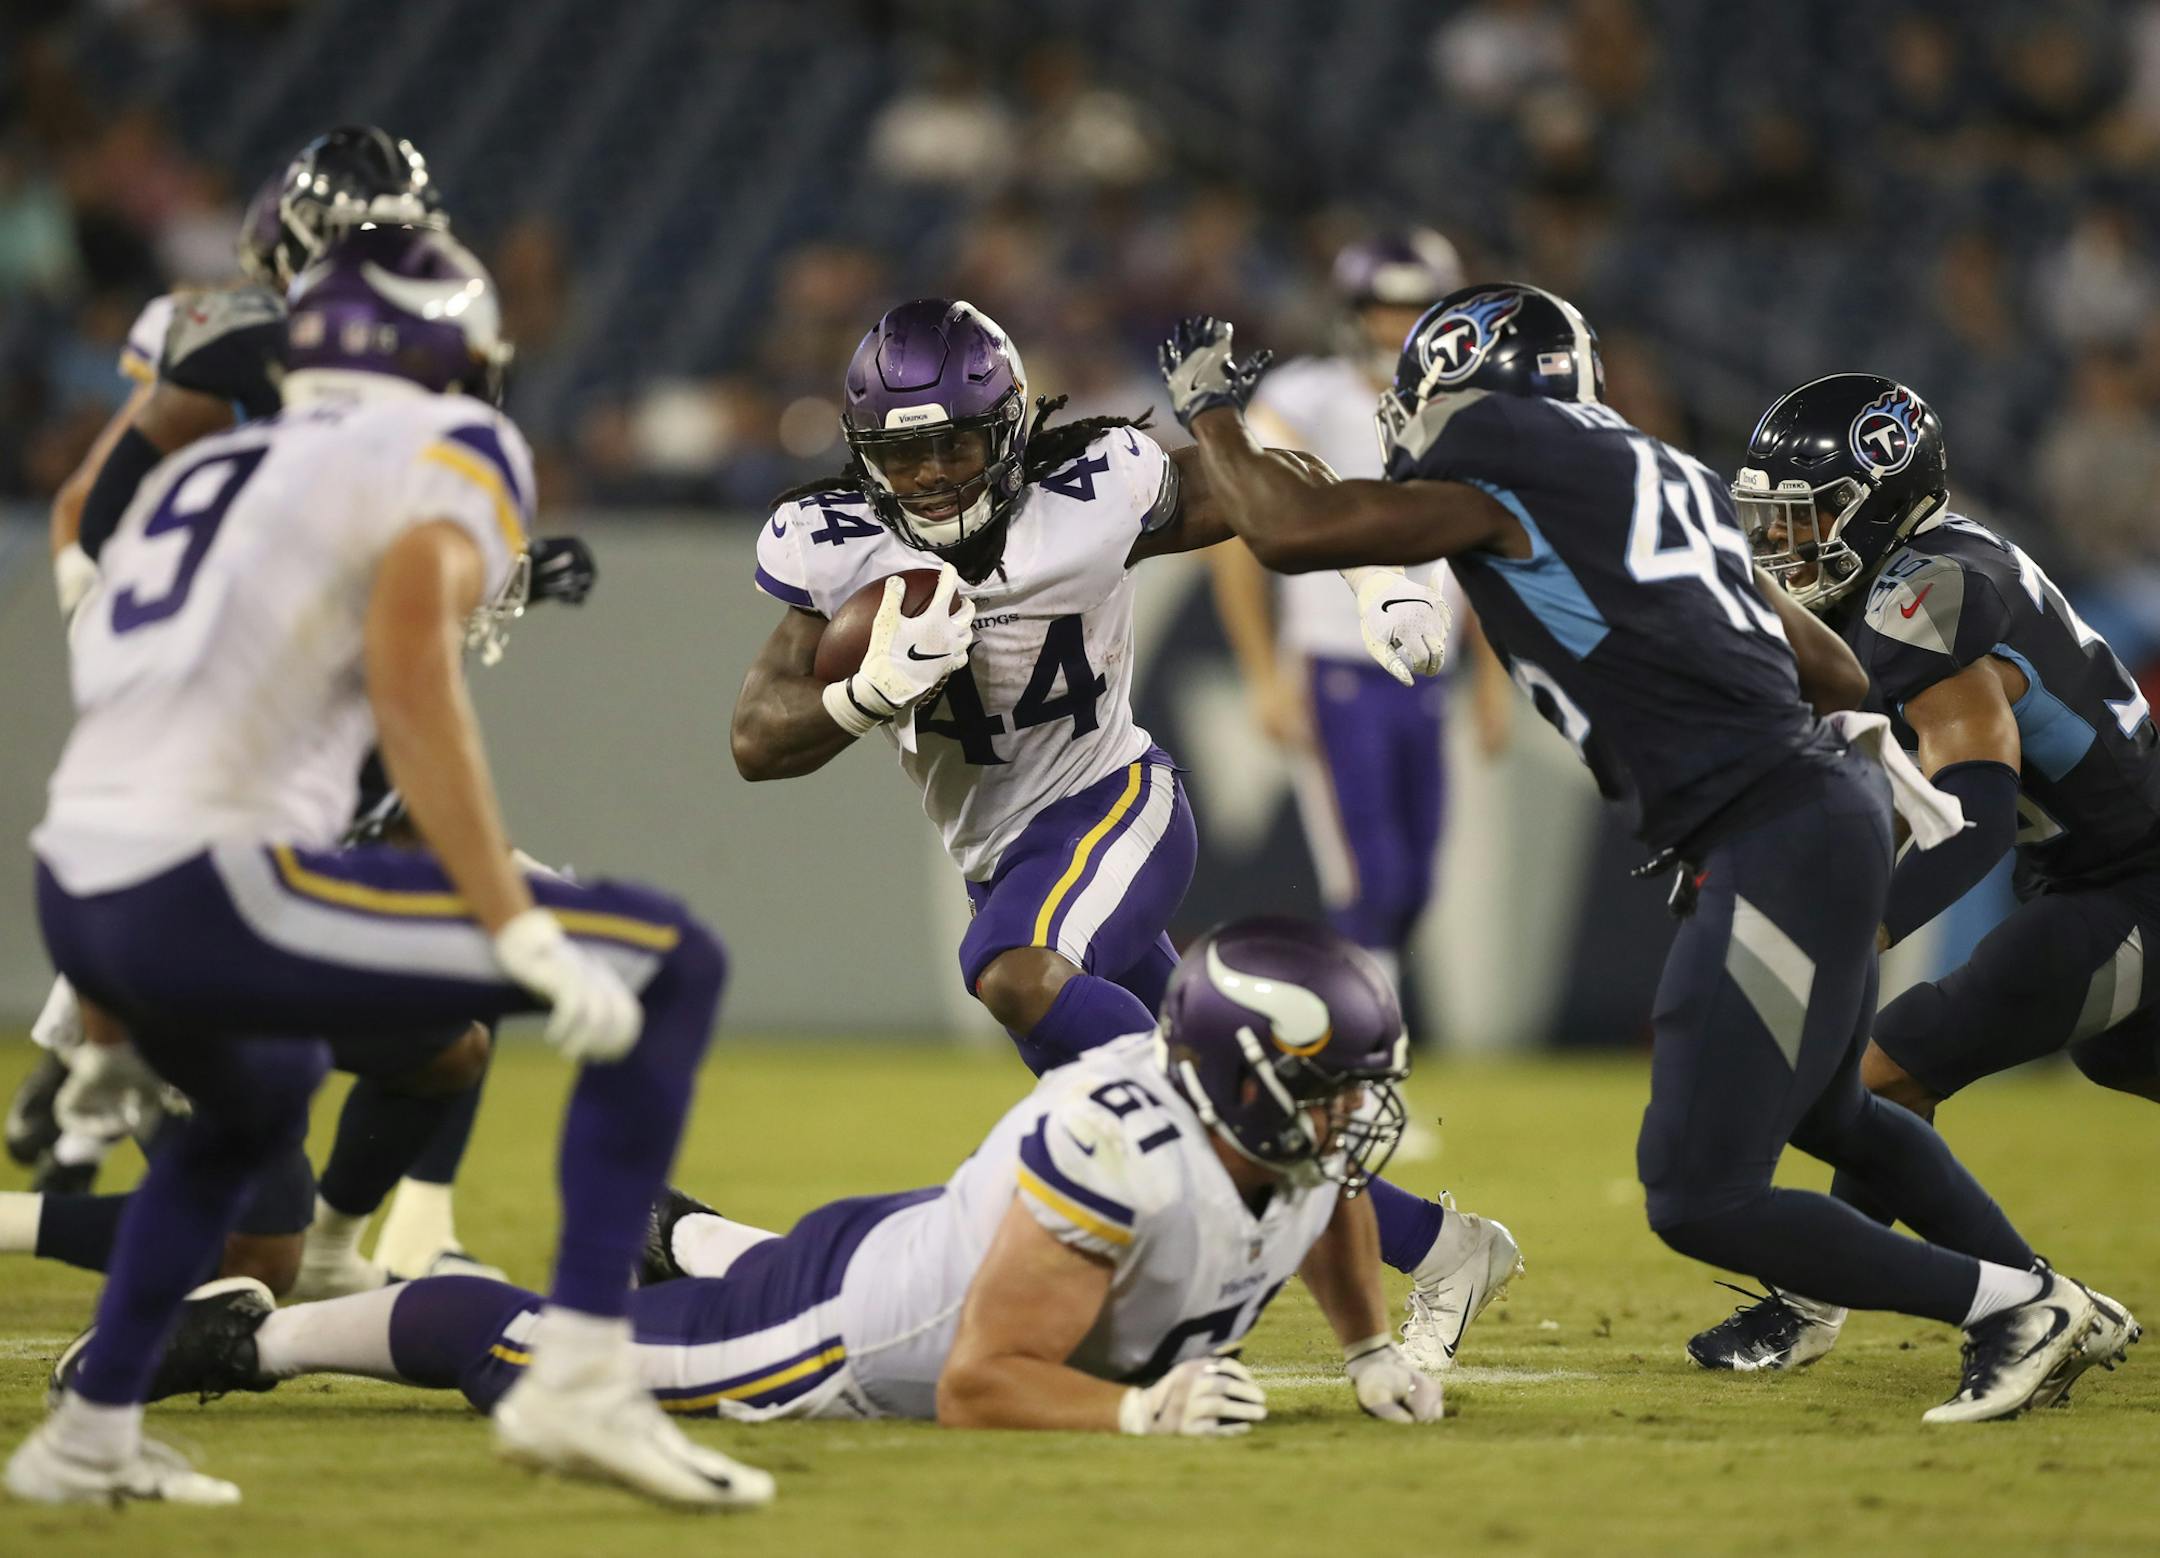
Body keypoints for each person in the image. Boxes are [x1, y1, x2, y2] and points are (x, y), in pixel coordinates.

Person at [1154, 285, 2137, 1422]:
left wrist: (1216, 414)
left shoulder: (1505, 443)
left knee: (1696, 1191)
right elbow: (1831, 668)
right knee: (1836, 1116)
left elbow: (1286, 533)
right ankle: (2049, 1297)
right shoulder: (1659, 468)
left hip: (1775, 826)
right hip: (1806, 814)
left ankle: (2011, 1305)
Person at [5, 226, 768, 1512]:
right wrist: (508, 914)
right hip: (215, 883)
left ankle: (84, 1436)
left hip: (81, 882)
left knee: (256, 1105)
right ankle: (580, 1375)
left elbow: (118, 680)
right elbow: (416, 675)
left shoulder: (218, 466)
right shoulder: (453, 448)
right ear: (445, 356)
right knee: (667, 960)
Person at [733, 298, 1515, 1370]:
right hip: (1006, 857)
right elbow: (753, 735)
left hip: (1115, 805)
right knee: (1189, 1095)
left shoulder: (1092, 486)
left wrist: (1379, 576)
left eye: (956, 444)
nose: (932, 479)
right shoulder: (833, 542)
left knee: (1015, 973)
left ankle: (1228, 1261)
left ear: (1007, 428)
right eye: (903, 457)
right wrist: (862, 696)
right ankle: (1441, 1246)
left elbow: (1269, 492)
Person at [94, 920, 1448, 1438]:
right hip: (848, 1336)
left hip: (925, 1240)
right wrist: (1137, 1416)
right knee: (525, 1347)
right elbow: (982, 1378)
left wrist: (1371, 1342)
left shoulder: (1274, 1136)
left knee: (867, 1249)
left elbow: (1319, 1201)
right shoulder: (1119, 1142)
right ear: (1230, 1075)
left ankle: (677, 1232)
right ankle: (248, 1337)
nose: (1349, 1122)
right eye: (1322, 1087)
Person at [1687, 374, 2152, 1373]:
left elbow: (1975, 813)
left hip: (2130, 881)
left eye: (1806, 517)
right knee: (2112, 1058)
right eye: (1769, 519)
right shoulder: (1918, 574)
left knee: (1883, 1074)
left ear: (1885, 500)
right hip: (2093, 873)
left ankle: (1991, 1307)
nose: (1782, 545)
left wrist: (1857, 924)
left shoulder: (1921, 596)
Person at [1208, 230, 1513, 993]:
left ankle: (1342, 1020)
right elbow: (1241, 537)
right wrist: (1262, 673)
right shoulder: (1301, 398)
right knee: (1369, 876)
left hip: (1424, 668)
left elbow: (1480, 548)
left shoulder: (1464, 411)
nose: (1398, 329)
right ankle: (1366, 1064)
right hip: (1332, 659)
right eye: (1386, 309)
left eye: (1416, 310)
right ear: (1352, 314)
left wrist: (1494, 680)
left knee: (1413, 884)